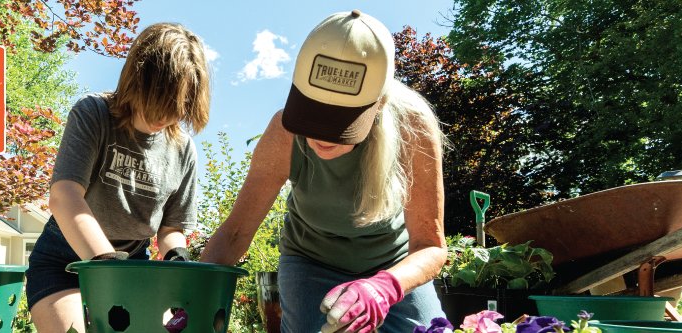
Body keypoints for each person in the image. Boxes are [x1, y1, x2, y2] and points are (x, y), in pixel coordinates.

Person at [201, 10, 447, 333]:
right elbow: (235, 233)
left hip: (393, 267)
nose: (319, 135)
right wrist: (191, 296)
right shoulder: (283, 134)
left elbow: (430, 246)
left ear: (378, 105)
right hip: (310, 262)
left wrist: (385, 287)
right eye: (312, 115)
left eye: (338, 123)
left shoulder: (412, 128)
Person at [25, 22, 210, 332]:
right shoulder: (94, 113)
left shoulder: (183, 150)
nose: (162, 118)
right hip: (64, 263)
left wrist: (177, 260)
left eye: (174, 108)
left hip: (134, 268)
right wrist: (106, 266)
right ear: (136, 81)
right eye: (156, 103)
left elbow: (170, 229)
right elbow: (64, 196)